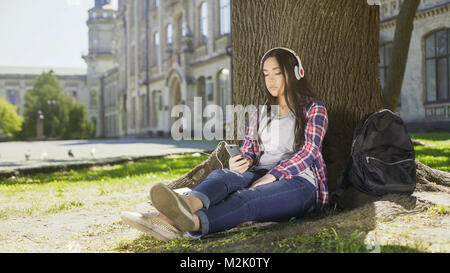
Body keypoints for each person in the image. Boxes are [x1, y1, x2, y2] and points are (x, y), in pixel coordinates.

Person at [121, 47, 329, 241]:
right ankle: (180, 210)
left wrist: (273, 176)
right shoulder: (260, 113)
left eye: (277, 72)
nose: (270, 80)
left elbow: (309, 151)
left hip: (299, 182)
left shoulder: (314, 108)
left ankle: (187, 223)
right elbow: (250, 151)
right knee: (223, 175)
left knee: (247, 199)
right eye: (266, 74)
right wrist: (241, 163)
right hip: (260, 172)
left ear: (295, 73)